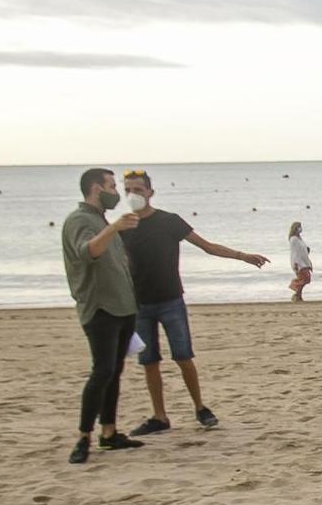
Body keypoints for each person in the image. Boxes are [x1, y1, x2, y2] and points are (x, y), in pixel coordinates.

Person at [118, 170, 270, 435]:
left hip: (171, 301)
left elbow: (206, 246)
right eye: (128, 190)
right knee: (149, 361)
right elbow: (115, 265)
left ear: (150, 193)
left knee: (183, 356)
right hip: (140, 305)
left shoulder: (169, 221)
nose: (133, 195)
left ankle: (200, 407)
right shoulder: (122, 227)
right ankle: (159, 416)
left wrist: (242, 256)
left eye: (138, 190)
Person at [62, 168, 146, 465]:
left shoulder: (99, 220)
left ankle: (109, 433)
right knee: (101, 372)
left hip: (123, 307)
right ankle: (84, 436)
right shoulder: (80, 220)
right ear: (96, 188)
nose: (117, 192)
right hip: (100, 308)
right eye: (112, 186)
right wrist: (115, 228)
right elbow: (89, 252)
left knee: (113, 372)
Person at [288, 221, 313, 300]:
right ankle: (294, 287)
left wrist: (306, 249)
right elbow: (295, 252)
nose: (300, 228)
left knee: (306, 278)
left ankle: (298, 295)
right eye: (298, 227)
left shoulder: (299, 239)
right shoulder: (293, 239)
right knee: (305, 278)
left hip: (304, 261)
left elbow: (301, 249)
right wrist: (296, 263)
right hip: (299, 262)